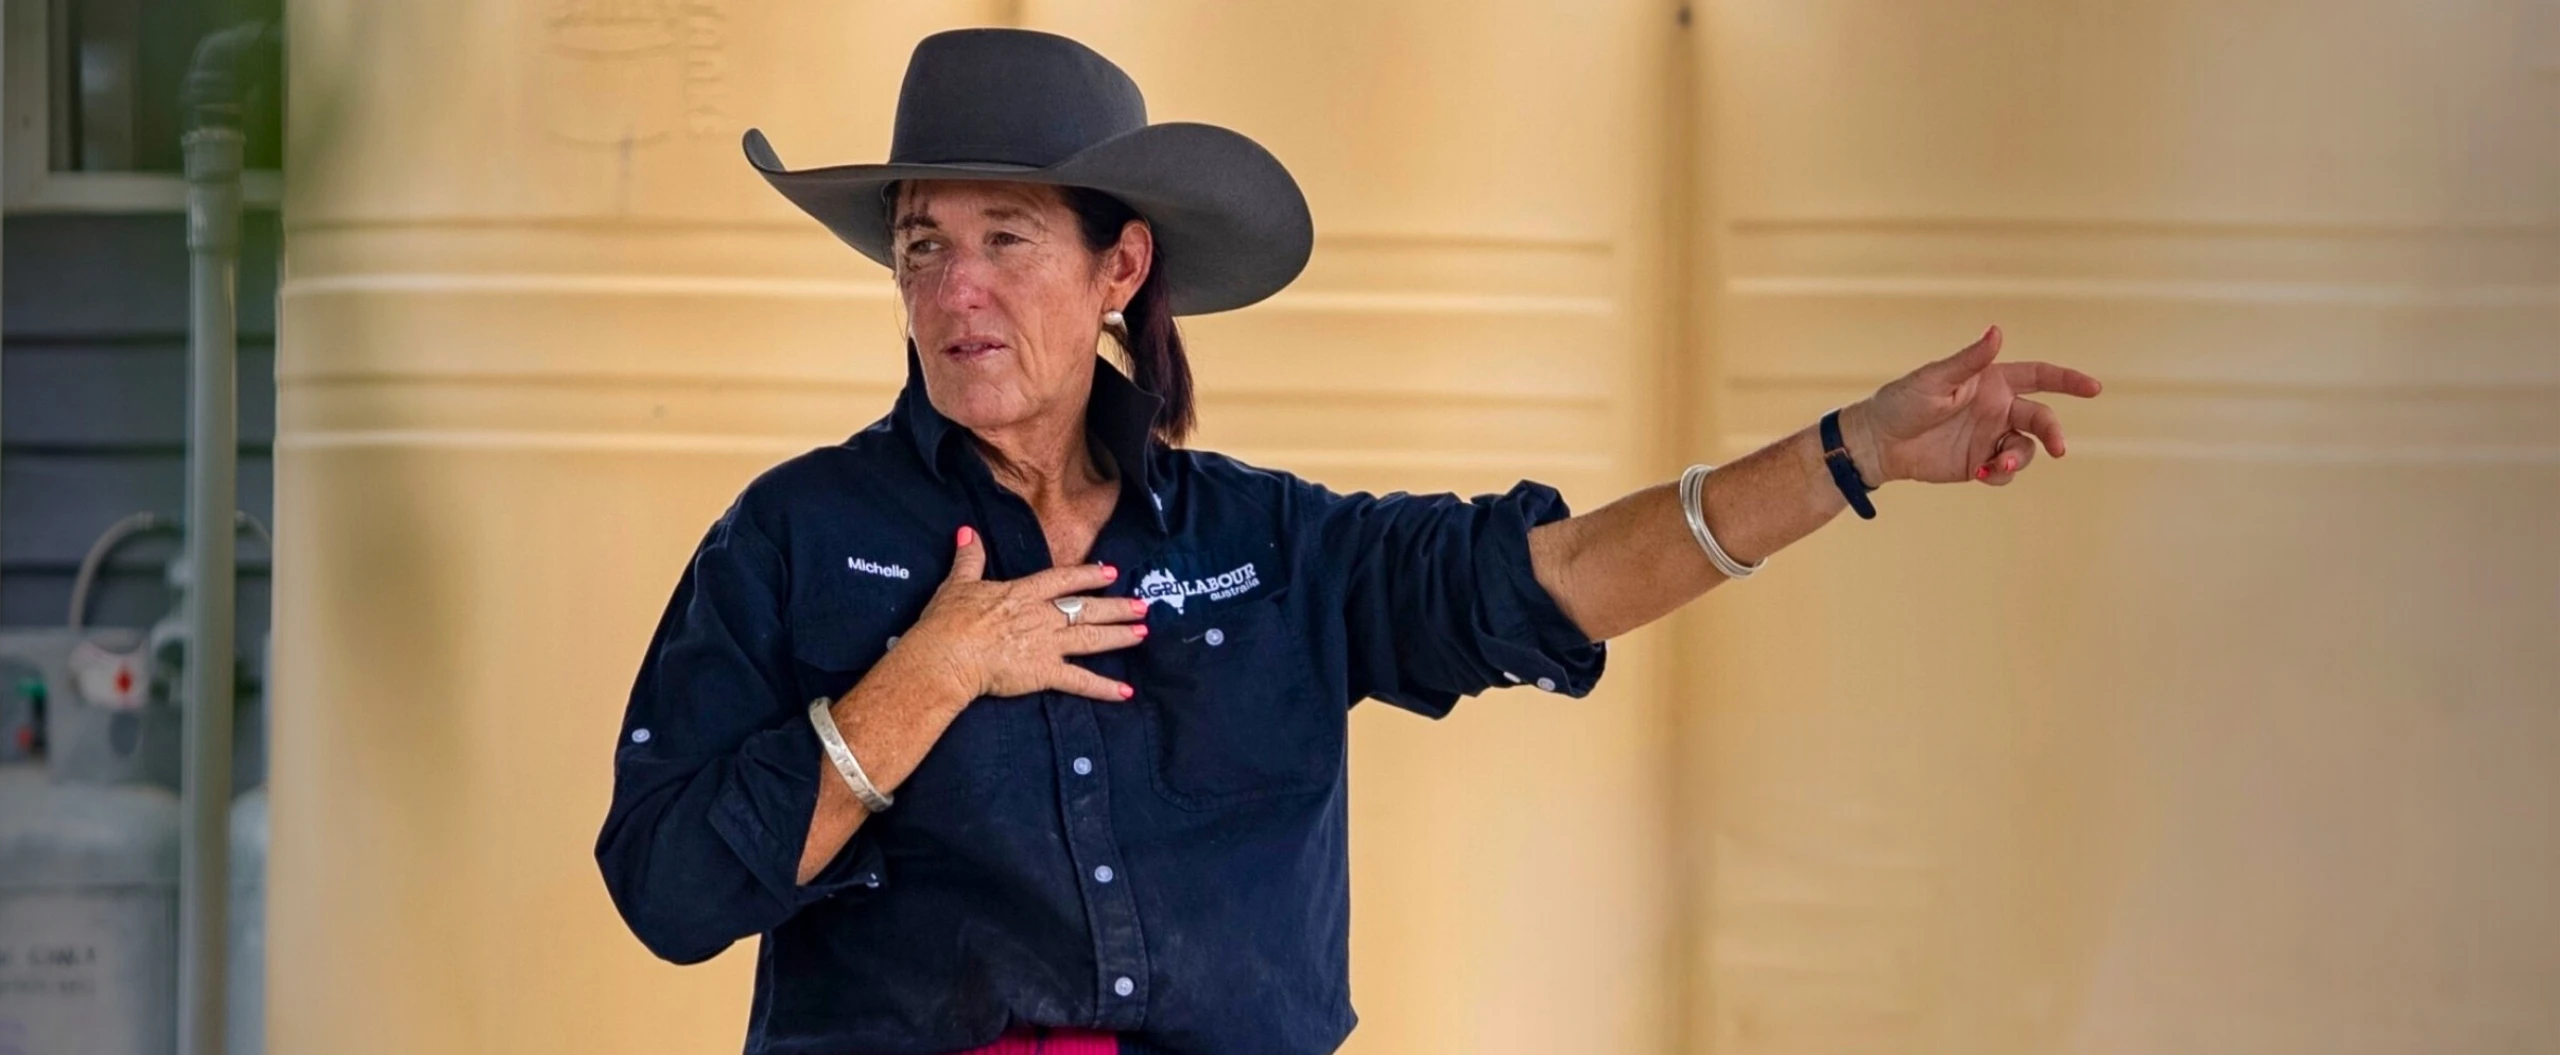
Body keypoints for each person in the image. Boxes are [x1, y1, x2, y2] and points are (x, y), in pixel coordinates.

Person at [594, 27, 2103, 1055]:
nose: (953, 290)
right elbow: (669, 890)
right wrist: (924, 678)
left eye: (1006, 238)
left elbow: (1563, 576)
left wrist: (1855, 451)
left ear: (1121, 267)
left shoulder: (1274, 543)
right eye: (923, 244)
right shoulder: (794, 538)